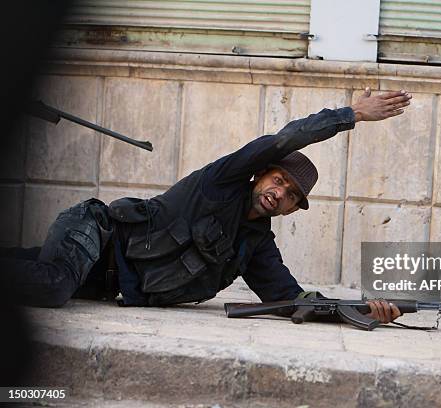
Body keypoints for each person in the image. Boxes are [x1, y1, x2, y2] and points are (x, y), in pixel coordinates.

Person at [2, 87, 412, 325]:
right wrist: (351, 114)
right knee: (53, 284)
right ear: (260, 174)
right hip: (94, 233)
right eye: (278, 179)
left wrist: (363, 312)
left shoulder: (255, 248)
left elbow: (295, 299)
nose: (280, 192)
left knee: (37, 272)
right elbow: (285, 139)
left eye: (290, 195)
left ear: (290, 210)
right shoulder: (222, 181)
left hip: (102, 282)